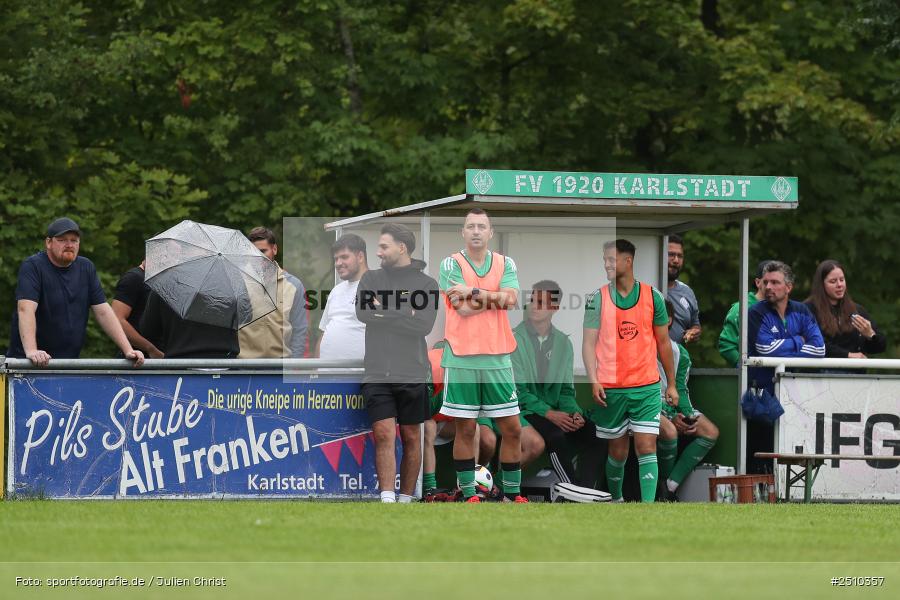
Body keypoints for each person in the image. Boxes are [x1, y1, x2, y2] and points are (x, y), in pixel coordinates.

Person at [438, 208, 527, 503]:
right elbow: (461, 308)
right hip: (462, 356)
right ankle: (468, 494)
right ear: (462, 233)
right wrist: (494, 297)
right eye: (470, 226)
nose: (476, 231)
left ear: (490, 233)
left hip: (498, 355)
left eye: (481, 227)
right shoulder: (450, 263)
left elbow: (512, 300)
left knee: (512, 428)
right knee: (466, 428)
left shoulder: (506, 263)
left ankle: (513, 494)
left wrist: (473, 290)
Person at [582, 239, 678, 503]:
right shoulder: (596, 298)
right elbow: (588, 344)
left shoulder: (653, 296)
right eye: (604, 260)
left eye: (612, 260)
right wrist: (593, 380)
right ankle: (617, 500)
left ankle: (647, 508)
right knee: (618, 451)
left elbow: (663, 343)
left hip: (646, 386)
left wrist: (671, 383)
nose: (607, 265)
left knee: (646, 445)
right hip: (611, 388)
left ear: (628, 261)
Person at [355, 223, 438, 503]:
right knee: (383, 433)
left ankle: (405, 498)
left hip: (412, 372)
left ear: (401, 248)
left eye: (383, 246)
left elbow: (423, 326)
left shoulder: (427, 285)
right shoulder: (370, 280)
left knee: (412, 437)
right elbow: (364, 314)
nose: (377, 252)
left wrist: (384, 310)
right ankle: (387, 498)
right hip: (377, 372)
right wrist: (406, 311)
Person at [6, 217, 144, 367]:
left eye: (74, 240)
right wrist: (32, 351)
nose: (69, 245)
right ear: (48, 243)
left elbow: (103, 311)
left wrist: (128, 350)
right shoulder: (33, 266)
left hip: (67, 364)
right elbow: (25, 308)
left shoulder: (86, 268)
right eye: (62, 240)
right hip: (28, 365)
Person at [513, 280, 604, 489]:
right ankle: (572, 489)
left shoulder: (564, 342)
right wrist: (550, 414)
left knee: (597, 435)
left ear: (554, 307)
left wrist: (574, 413)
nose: (535, 305)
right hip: (523, 410)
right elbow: (518, 392)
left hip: (552, 412)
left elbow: (565, 391)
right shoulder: (514, 338)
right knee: (556, 436)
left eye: (542, 302)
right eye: (533, 300)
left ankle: (587, 490)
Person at [746, 260, 825, 473]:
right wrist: (799, 341)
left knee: (794, 447)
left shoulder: (802, 311)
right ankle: (759, 499)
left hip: (795, 394)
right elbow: (765, 349)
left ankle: (790, 497)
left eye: (775, 282)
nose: (768, 287)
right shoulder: (755, 312)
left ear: (788, 287)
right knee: (761, 451)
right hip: (762, 393)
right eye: (765, 282)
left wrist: (785, 346)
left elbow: (819, 349)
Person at [657, 300, 719, 500]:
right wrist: (672, 415)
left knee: (710, 431)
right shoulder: (639, 348)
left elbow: (681, 391)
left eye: (660, 316)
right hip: (643, 406)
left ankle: (669, 487)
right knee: (670, 431)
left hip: (669, 407)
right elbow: (638, 391)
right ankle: (658, 487)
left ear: (669, 320)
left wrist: (686, 415)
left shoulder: (680, 353)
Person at [238, 227, 309, 358]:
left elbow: (300, 331)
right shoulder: (238, 282)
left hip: (281, 368)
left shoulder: (294, 285)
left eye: (263, 251)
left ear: (274, 249)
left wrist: (295, 368)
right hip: (244, 368)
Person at [804, 259, 886, 360]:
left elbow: (880, 347)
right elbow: (814, 344)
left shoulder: (857, 310)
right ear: (822, 285)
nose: (839, 285)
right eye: (833, 281)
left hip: (855, 373)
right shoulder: (807, 309)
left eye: (842, 280)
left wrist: (870, 335)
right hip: (821, 372)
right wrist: (848, 355)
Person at [140, 290, 240, 358]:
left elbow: (147, 330)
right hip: (226, 362)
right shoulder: (230, 282)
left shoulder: (165, 284)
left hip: (181, 363)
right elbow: (245, 314)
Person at [316, 234, 367, 360]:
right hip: (325, 375)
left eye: (344, 257)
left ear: (360, 257)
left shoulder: (378, 286)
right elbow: (324, 332)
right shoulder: (336, 290)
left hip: (358, 375)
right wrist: (315, 369)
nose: (338, 263)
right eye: (336, 259)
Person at [718, 260, 772, 367]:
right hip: (752, 379)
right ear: (758, 282)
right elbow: (726, 345)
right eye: (767, 282)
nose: (771, 286)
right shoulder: (741, 308)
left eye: (776, 282)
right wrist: (745, 367)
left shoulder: (784, 310)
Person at [112, 260, 164, 358]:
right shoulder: (134, 277)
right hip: (135, 359)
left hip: (160, 358)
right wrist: (150, 349)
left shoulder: (160, 281)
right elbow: (116, 320)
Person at [666, 234, 701, 345]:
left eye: (680, 256)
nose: (676, 260)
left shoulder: (687, 292)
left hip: (679, 360)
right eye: (671, 254)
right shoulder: (646, 288)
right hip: (648, 360)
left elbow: (695, 324)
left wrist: (694, 332)